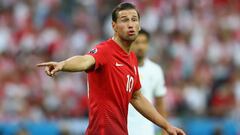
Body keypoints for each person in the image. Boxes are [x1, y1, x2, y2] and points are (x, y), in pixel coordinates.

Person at [37, 2, 185, 135]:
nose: (130, 24)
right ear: (113, 25)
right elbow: (85, 60)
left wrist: (166, 125)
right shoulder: (105, 50)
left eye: (134, 20)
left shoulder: (131, 58)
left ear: (139, 26)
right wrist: (63, 65)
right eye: (124, 20)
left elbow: (136, 97)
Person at [128, 29, 167, 135]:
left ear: (148, 45)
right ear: (130, 44)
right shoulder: (122, 68)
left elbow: (160, 103)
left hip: (146, 130)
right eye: (137, 42)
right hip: (123, 129)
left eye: (144, 42)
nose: (140, 47)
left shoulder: (155, 70)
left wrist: (164, 130)